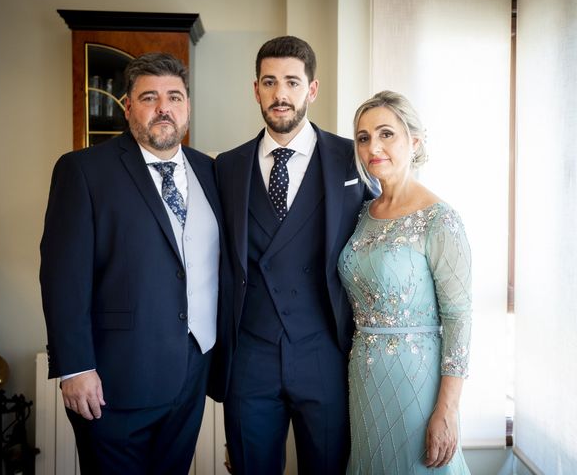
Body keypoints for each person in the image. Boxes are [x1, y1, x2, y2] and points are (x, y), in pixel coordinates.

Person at [40, 52, 225, 474]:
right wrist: (76, 367)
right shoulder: (83, 171)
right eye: (150, 97)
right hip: (114, 380)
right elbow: (62, 277)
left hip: (192, 372)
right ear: (127, 107)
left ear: (188, 108)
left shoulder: (210, 170)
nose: (164, 108)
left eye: (175, 97)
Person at [212, 35, 370, 474]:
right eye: (270, 82)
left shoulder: (350, 159)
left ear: (312, 89)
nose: (281, 95)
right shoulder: (226, 166)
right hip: (250, 355)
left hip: (324, 350)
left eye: (292, 83)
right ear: (256, 88)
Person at [338, 90, 472, 474]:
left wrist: (447, 409)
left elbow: (459, 317)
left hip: (417, 379)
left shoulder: (439, 219)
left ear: (414, 141)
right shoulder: (363, 212)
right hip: (363, 377)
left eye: (386, 134)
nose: (373, 146)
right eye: (363, 138)